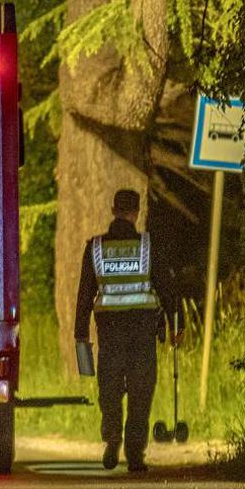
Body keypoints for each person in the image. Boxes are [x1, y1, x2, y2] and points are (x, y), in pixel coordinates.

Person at [74, 188, 181, 472]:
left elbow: (85, 294)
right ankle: (135, 454)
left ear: (113, 210)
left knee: (109, 389)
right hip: (142, 333)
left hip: (110, 334)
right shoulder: (147, 246)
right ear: (136, 212)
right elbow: (167, 289)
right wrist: (175, 325)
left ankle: (112, 437)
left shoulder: (95, 248)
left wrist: (80, 334)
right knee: (140, 392)